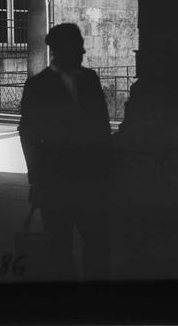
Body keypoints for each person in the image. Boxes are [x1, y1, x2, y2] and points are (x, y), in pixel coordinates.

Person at [18, 23, 113, 279]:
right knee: (59, 244)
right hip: (55, 180)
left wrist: (108, 169)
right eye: (78, 45)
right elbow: (27, 134)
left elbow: (102, 127)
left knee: (98, 241)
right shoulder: (37, 86)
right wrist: (36, 178)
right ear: (61, 49)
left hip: (91, 179)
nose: (83, 50)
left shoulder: (90, 79)